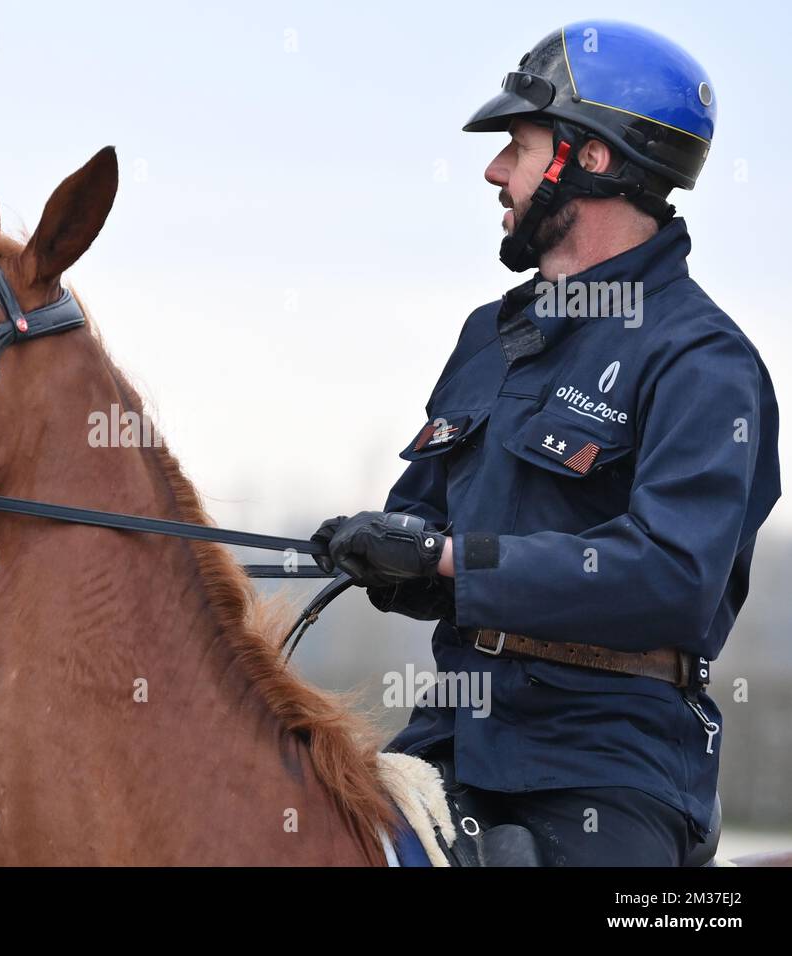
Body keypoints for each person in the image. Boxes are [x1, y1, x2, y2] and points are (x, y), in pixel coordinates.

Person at [313, 20, 781, 866]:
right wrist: (380, 553)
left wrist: (450, 560)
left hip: (605, 769)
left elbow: (672, 578)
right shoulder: (485, 338)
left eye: (518, 148)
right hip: (449, 735)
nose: (495, 172)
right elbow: (423, 537)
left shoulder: (704, 362)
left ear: (589, 159)